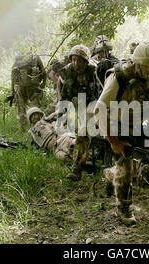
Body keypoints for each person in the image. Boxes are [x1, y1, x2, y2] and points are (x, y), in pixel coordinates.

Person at [94, 41, 149, 225]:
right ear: (137, 63)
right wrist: (113, 141)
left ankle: (110, 174)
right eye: (148, 66)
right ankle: (124, 209)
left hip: (136, 125)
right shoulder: (119, 77)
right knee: (126, 169)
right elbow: (99, 109)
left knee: (134, 170)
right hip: (114, 124)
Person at [58, 44, 99, 181]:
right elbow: (64, 95)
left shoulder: (94, 72)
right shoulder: (67, 71)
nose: (75, 63)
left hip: (94, 104)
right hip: (78, 103)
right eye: (73, 59)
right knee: (82, 132)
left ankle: (77, 168)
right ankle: (84, 159)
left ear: (85, 61)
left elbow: (101, 92)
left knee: (84, 132)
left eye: (78, 60)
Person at [11, 53, 47, 131]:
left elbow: (13, 76)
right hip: (33, 87)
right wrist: (43, 84)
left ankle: (23, 130)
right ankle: (38, 130)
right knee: (35, 109)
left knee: (21, 111)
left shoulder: (18, 59)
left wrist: (12, 91)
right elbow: (44, 72)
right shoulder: (36, 57)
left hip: (20, 88)